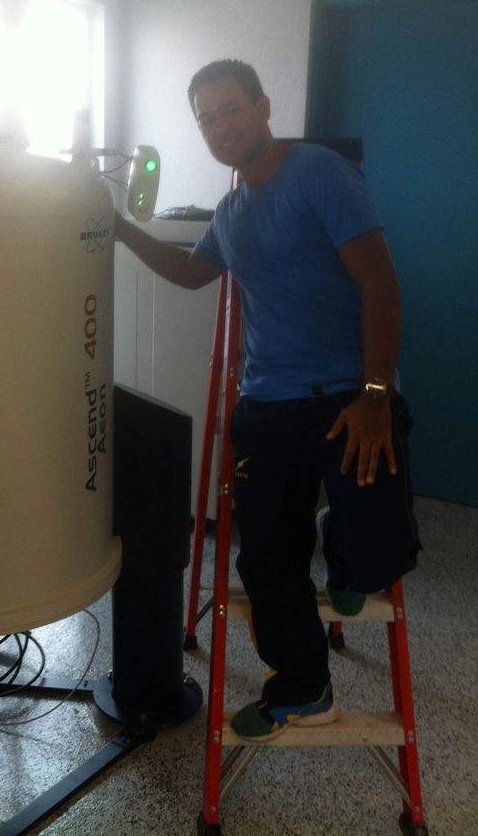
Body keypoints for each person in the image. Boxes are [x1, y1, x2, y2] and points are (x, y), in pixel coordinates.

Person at [115, 58, 421, 742]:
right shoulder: (231, 211)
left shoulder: (319, 174)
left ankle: (345, 548)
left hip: (351, 394)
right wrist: (122, 230)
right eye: (206, 119)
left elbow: (380, 283)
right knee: (267, 560)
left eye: (231, 108)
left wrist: (375, 396)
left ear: (263, 106)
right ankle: (305, 686)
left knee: (377, 554)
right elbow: (192, 271)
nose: (221, 126)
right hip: (269, 405)